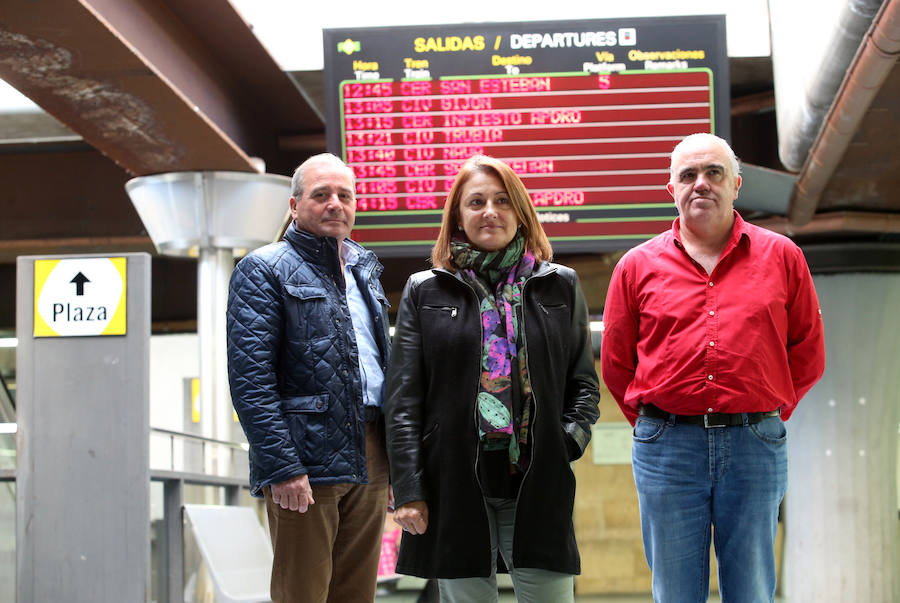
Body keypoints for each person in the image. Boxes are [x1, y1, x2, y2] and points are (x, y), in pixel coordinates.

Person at [601, 133, 826, 602]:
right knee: (676, 591)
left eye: (713, 173)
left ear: (736, 184)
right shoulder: (635, 266)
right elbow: (618, 364)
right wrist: (656, 426)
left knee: (752, 589)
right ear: (672, 189)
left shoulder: (783, 257)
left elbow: (807, 353)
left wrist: (767, 415)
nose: (700, 184)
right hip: (667, 449)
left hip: (754, 446)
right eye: (688, 175)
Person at [384, 155, 601, 602]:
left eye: (502, 200)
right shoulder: (425, 290)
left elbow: (582, 381)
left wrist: (567, 441)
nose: (490, 211)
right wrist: (408, 487)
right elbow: (404, 399)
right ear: (458, 217)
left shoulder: (560, 285)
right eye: (476, 201)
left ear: (520, 211)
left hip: (538, 476)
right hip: (453, 478)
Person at [226, 153, 391, 602]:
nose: (334, 203)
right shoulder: (263, 269)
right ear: (295, 206)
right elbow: (250, 377)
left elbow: (380, 366)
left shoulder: (365, 270)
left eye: (344, 195)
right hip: (304, 457)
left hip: (370, 449)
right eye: (321, 194)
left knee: (356, 592)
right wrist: (281, 465)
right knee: (302, 592)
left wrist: (395, 461)